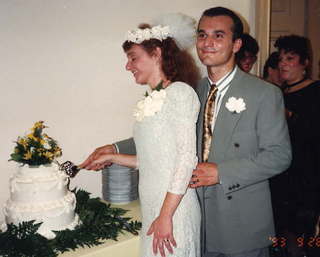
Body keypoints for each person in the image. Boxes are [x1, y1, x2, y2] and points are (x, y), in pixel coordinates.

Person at [81, 7, 292, 257]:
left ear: (236, 44)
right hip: (196, 216)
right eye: (202, 35)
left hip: (239, 223)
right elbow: (161, 137)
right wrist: (114, 149)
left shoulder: (264, 93)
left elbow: (280, 155)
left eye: (218, 35)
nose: (208, 43)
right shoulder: (192, 90)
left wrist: (221, 172)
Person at [81, 13, 201, 257]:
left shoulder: (180, 93)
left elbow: (186, 159)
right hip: (154, 207)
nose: (128, 66)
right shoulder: (151, 99)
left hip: (174, 210)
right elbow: (152, 159)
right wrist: (112, 158)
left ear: (156, 53)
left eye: (133, 58)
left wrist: (166, 216)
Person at [270, 34, 320, 257]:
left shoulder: (315, 90)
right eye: (281, 59)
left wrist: (290, 116)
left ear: (305, 63)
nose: (283, 64)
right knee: (280, 235)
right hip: (280, 175)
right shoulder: (277, 93)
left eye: (290, 58)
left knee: (302, 238)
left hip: (306, 178)